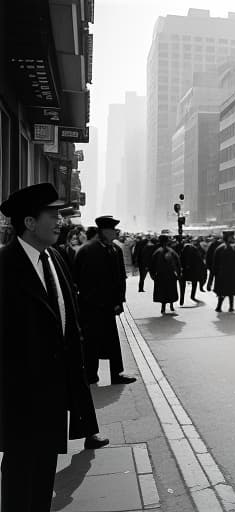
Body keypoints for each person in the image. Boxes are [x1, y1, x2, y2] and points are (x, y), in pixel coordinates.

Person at [0, 184, 109, 512]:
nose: (60, 222)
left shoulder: (56, 258)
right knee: (20, 476)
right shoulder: (5, 267)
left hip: (54, 396)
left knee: (43, 476)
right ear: (30, 223)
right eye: (52, 216)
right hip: (20, 399)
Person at [74, 215, 135, 386]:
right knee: (91, 341)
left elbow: (119, 278)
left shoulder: (114, 250)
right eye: (112, 229)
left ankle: (115, 374)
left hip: (109, 305)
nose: (116, 232)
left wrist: (119, 301)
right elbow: (80, 278)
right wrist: (92, 300)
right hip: (91, 305)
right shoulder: (88, 250)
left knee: (112, 341)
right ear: (103, 231)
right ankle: (90, 375)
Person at [212, 230, 235, 313]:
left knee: (222, 291)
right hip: (232, 273)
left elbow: (215, 263)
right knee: (231, 290)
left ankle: (219, 307)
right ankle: (230, 307)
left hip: (222, 274)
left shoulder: (219, 248)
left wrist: (215, 273)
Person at [149, 233, 181, 315]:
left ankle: (163, 307)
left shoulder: (157, 251)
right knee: (171, 291)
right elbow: (177, 263)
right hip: (170, 275)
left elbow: (152, 264)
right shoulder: (171, 251)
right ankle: (171, 305)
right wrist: (178, 274)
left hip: (160, 275)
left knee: (162, 292)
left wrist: (152, 275)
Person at [180, 238, 205, 305]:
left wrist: (182, 267)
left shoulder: (183, 249)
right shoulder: (195, 249)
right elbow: (199, 259)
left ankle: (181, 299)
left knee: (182, 285)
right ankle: (192, 296)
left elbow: (181, 259)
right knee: (194, 283)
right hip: (194, 270)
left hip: (185, 270)